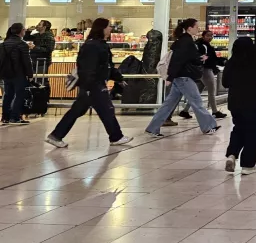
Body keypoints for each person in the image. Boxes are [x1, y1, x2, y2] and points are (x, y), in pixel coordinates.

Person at [45, 18, 132, 148]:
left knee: (78, 111)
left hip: (92, 85)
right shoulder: (93, 46)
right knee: (106, 109)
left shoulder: (99, 44)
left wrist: (119, 78)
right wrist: (89, 85)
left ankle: (56, 135)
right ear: (102, 28)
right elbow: (88, 68)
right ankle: (116, 136)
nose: (110, 29)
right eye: (108, 26)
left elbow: (107, 65)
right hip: (93, 85)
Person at [145, 18, 219, 137]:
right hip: (183, 77)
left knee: (169, 104)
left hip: (180, 77)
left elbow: (187, 58)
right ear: (189, 28)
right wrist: (170, 77)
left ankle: (152, 128)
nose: (198, 29)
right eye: (196, 27)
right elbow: (177, 61)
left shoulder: (185, 41)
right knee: (197, 101)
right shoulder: (186, 42)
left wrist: (199, 58)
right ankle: (209, 126)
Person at [222, 37, 256, 175]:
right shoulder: (254, 62)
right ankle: (248, 165)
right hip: (251, 102)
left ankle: (232, 154)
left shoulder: (231, 63)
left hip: (235, 103)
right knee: (252, 132)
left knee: (238, 129)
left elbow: (225, 83)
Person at [1, 23, 33, 125]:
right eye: (24, 29)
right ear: (20, 31)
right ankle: (15, 117)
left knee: (8, 95)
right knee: (19, 95)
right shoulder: (22, 44)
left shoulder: (4, 44)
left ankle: (5, 117)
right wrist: (30, 74)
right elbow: (26, 61)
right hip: (19, 74)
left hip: (6, 73)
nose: (25, 31)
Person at [190, 30, 225, 119]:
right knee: (211, 90)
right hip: (206, 70)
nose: (210, 37)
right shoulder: (203, 46)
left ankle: (185, 110)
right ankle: (215, 111)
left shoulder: (201, 45)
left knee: (198, 91)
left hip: (201, 71)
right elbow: (208, 58)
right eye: (208, 36)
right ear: (203, 36)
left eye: (211, 36)